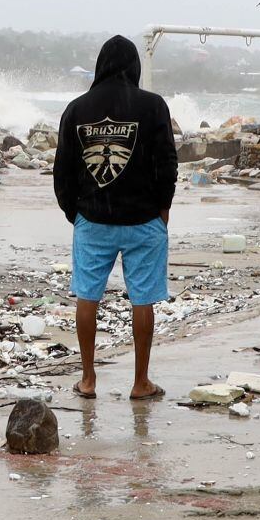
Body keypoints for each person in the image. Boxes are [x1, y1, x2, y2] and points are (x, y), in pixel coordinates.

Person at [53, 35, 179, 401]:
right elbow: (167, 165)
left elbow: (63, 171)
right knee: (143, 299)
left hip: (93, 219)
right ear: (134, 67)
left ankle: (88, 378)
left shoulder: (77, 109)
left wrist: (74, 213)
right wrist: (163, 210)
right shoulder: (153, 107)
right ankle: (140, 382)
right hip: (143, 220)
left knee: (87, 296)